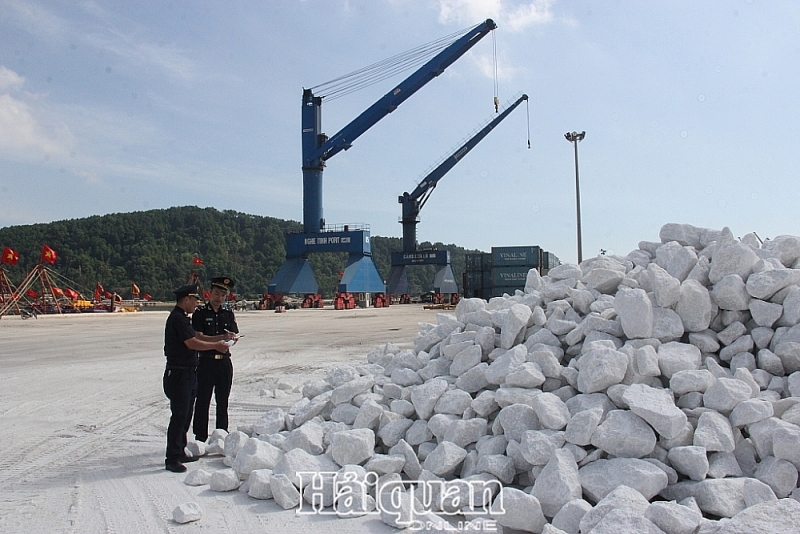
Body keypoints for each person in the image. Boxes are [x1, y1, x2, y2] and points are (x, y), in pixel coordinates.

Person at [163, 283, 231, 473]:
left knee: (186, 415)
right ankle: (172, 457)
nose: (196, 303)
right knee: (179, 416)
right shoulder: (177, 319)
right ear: (186, 300)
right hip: (179, 373)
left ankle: (180, 450)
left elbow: (199, 338)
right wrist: (216, 346)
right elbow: (192, 343)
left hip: (188, 372)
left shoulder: (183, 319)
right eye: (194, 300)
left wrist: (220, 338)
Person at [191, 277, 239, 443]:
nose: (219, 297)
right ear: (209, 293)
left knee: (223, 401)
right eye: (216, 293)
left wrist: (231, 338)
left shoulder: (228, 313)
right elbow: (198, 336)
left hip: (224, 362)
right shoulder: (200, 313)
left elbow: (234, 335)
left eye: (223, 295)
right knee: (203, 400)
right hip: (206, 361)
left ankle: (221, 436)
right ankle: (200, 437)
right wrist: (220, 338)